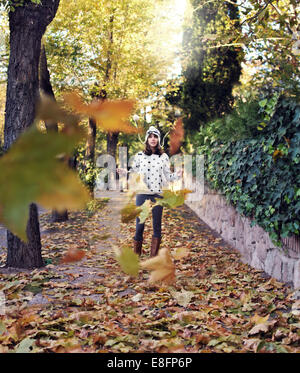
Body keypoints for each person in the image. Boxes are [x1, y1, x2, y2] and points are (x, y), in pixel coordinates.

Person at [117, 126, 182, 257]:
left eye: (155, 136)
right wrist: (125, 172)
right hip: (142, 193)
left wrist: (177, 174)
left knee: (156, 227)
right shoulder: (140, 155)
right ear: (147, 139)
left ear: (158, 139)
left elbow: (168, 176)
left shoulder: (163, 157)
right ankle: (136, 258)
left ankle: (153, 259)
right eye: (150, 136)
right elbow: (134, 171)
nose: (153, 139)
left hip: (158, 195)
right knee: (139, 226)